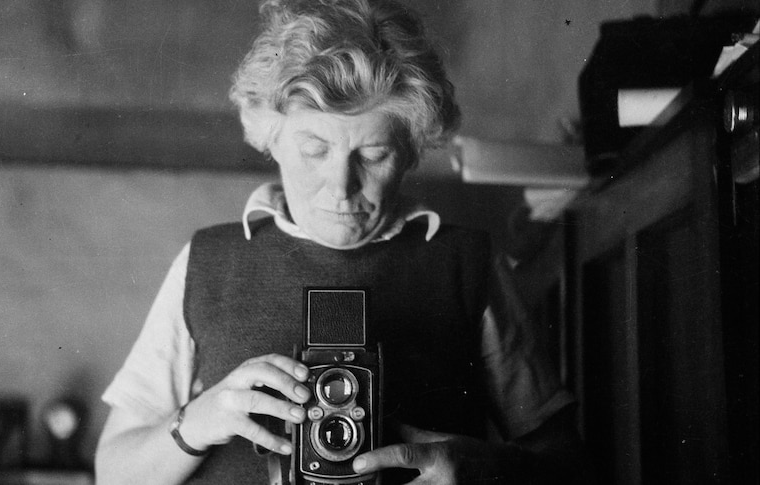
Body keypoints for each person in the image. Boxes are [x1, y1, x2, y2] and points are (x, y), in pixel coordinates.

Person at [95, 0, 586, 483]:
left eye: (373, 155)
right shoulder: (207, 263)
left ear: (411, 150)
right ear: (271, 138)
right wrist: (198, 421)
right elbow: (113, 473)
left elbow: (569, 463)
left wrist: (482, 469)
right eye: (315, 150)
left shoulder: (466, 264)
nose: (341, 185)